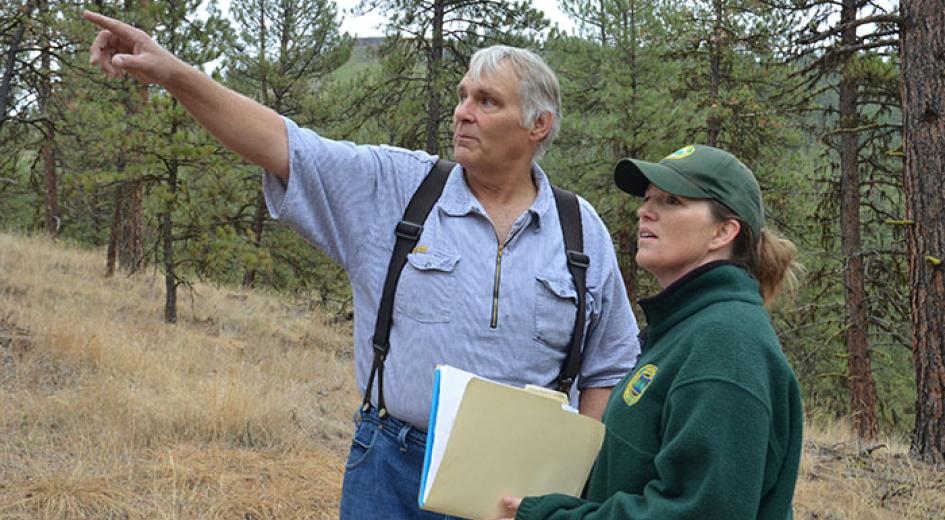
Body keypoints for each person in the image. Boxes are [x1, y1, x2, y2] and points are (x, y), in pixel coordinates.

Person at [84, 11, 641, 520]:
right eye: (462, 96)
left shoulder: (579, 228)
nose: (463, 112)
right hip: (392, 469)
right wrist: (174, 74)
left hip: (519, 490)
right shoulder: (398, 187)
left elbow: (609, 365)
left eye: (487, 101)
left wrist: (567, 475)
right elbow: (282, 144)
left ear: (538, 125)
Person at [497, 145, 804, 520]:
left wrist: (549, 517)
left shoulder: (726, 343)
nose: (645, 211)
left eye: (672, 201)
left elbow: (698, 512)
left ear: (723, 231)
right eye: (647, 199)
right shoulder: (684, 329)